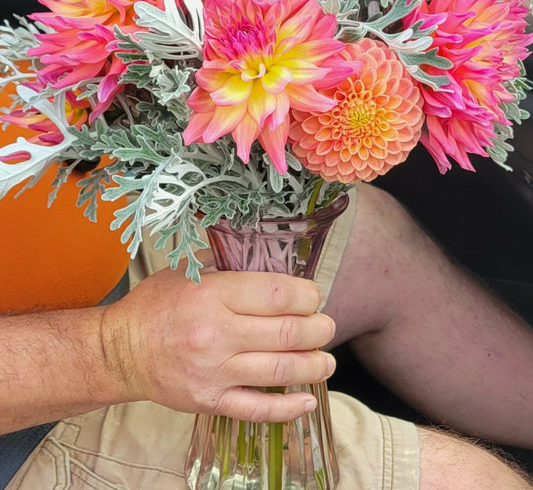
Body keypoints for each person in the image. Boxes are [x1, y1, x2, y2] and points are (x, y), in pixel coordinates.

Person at [2, 182, 533, 489]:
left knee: (360, 234)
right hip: (29, 413)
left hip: (89, 275)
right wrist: (115, 350)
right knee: (466, 482)